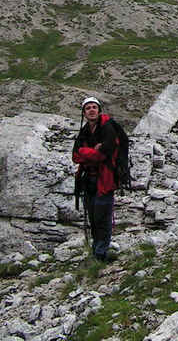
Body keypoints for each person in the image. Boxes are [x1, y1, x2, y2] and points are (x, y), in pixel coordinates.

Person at [72, 96, 118, 262]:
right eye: (88, 108)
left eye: (94, 107)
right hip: (88, 180)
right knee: (92, 215)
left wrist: (87, 152)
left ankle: (101, 254)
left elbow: (106, 152)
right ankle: (97, 250)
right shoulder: (84, 132)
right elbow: (76, 156)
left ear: (99, 110)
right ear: (84, 113)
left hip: (104, 179)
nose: (91, 110)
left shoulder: (108, 128)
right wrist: (93, 152)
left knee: (102, 216)